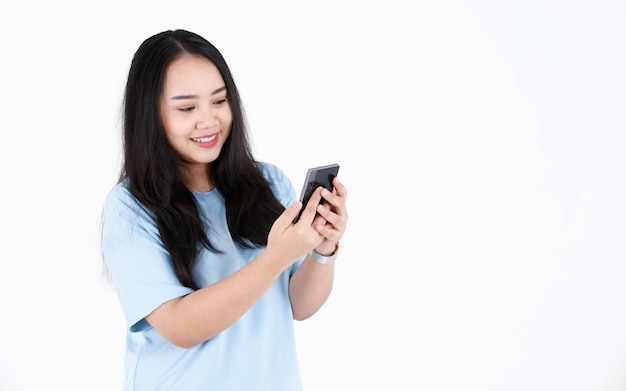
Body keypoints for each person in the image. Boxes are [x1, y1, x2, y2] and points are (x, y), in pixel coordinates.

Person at [100, 29, 349, 390]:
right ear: (150, 115)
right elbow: (179, 327)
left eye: (219, 101)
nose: (209, 120)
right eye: (187, 108)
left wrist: (324, 249)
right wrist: (276, 257)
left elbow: (297, 305)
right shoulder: (130, 208)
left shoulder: (268, 182)